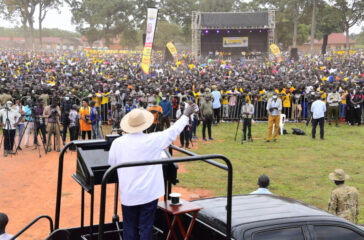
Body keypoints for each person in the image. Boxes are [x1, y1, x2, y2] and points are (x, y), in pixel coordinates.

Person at [108, 103, 197, 240]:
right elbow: (172, 131)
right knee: (146, 227)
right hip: (148, 193)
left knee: (129, 226)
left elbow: (112, 164)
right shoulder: (153, 140)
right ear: (145, 125)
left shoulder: (117, 143)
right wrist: (185, 115)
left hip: (129, 193)